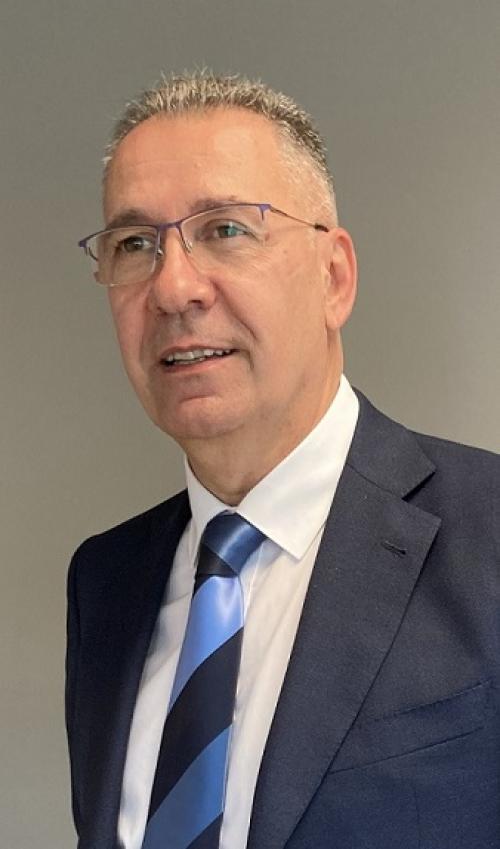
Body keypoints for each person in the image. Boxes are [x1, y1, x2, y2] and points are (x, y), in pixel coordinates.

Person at [66, 72, 500, 849]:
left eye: (226, 228)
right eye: (134, 244)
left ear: (335, 277)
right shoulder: (104, 582)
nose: (173, 287)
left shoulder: (488, 534)